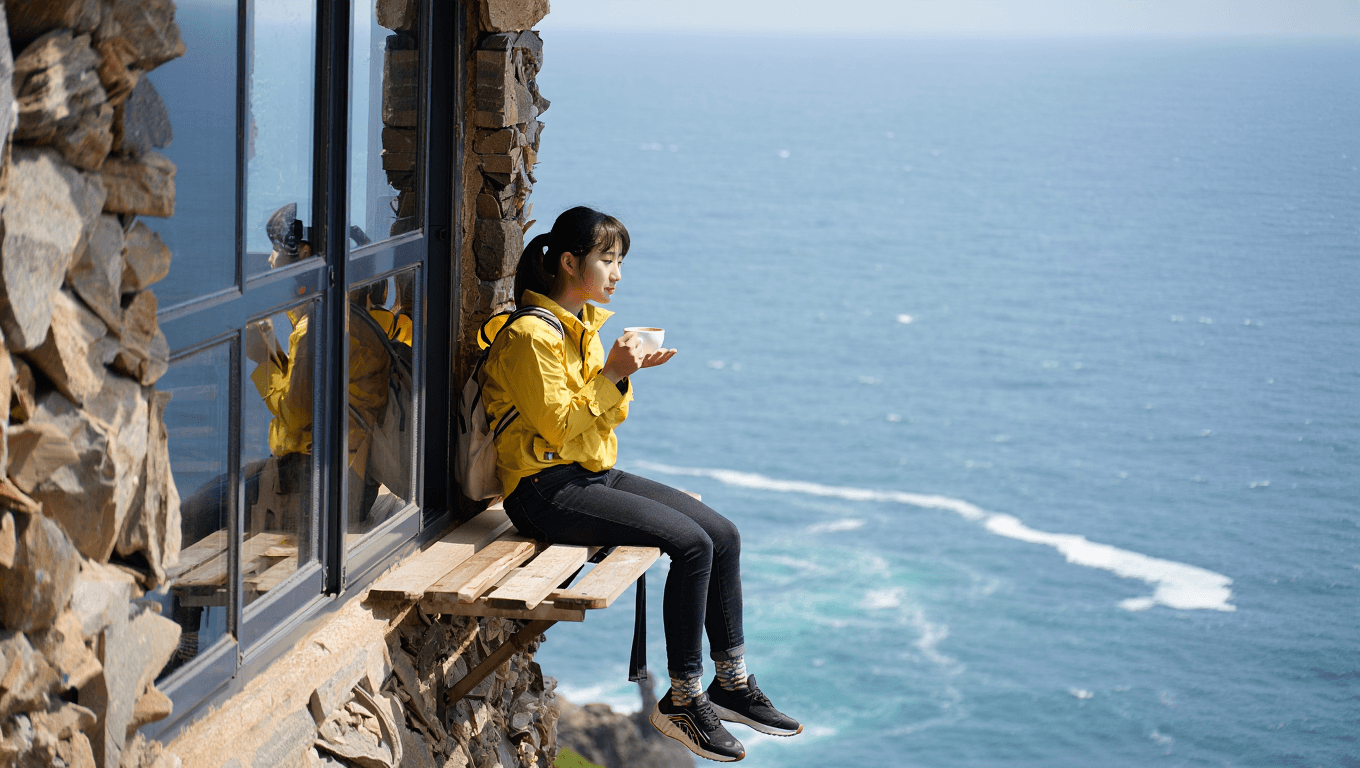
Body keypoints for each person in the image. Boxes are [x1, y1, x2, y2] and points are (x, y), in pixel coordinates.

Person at [481, 206, 802, 762]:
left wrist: (621, 377)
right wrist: (612, 374)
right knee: (692, 544)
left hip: (587, 472)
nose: (617, 273)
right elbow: (560, 426)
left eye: (620, 261)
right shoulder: (531, 336)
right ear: (569, 263)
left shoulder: (581, 327)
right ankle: (683, 699)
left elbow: (604, 419)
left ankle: (731, 683)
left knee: (723, 534)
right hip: (542, 490)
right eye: (607, 260)